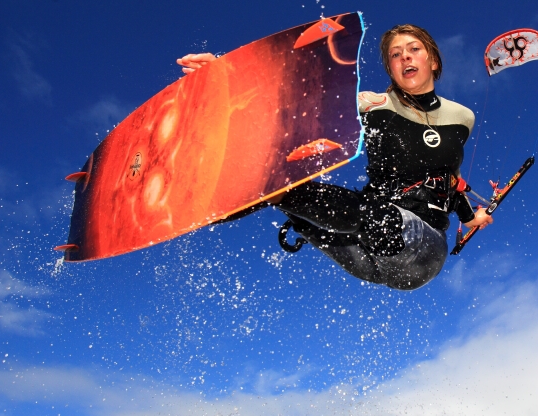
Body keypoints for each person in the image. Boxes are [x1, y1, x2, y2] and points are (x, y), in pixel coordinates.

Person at [177, 24, 492, 290]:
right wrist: (232, 80)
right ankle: (210, 207)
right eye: (395, 55)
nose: (404, 57)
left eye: (413, 49)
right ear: (392, 70)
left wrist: (471, 218)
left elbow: (448, 179)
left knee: (374, 214)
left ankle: (239, 197)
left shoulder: (462, 118)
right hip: (365, 250)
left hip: (421, 250)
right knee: (282, 187)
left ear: (433, 61)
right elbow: (297, 107)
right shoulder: (372, 105)